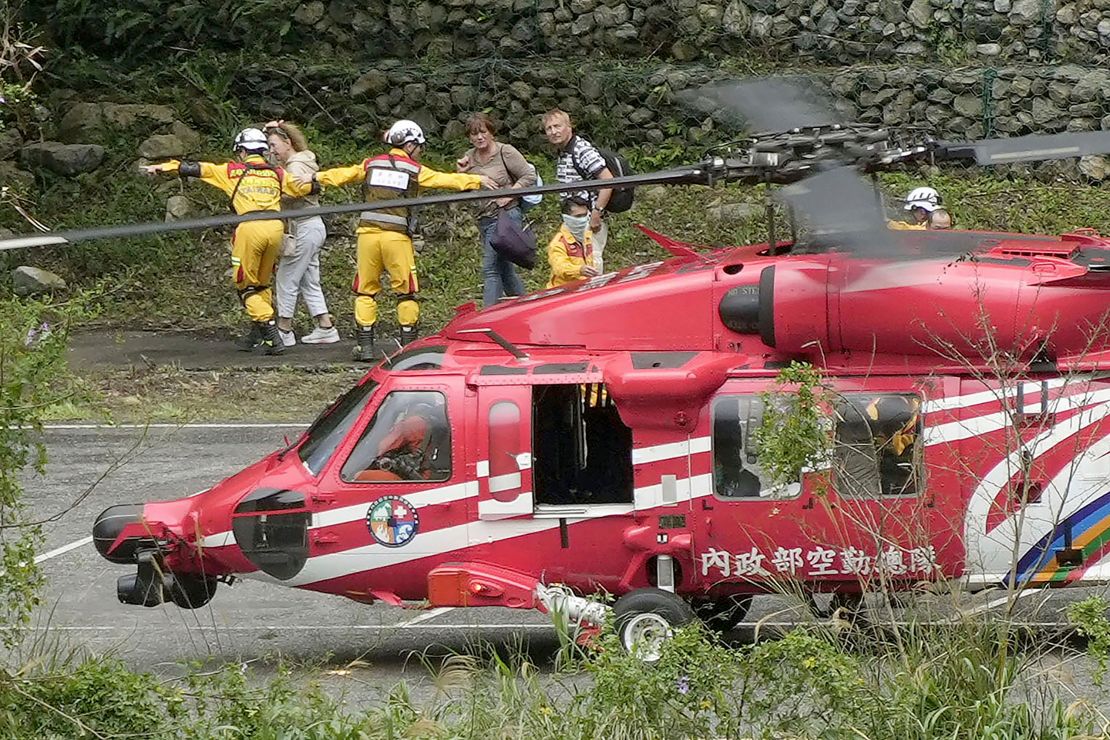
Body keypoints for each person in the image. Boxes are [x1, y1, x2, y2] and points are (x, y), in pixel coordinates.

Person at [292, 120, 494, 361]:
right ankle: (408, 348)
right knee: (406, 292)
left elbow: (344, 174)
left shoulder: (371, 164)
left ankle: (365, 347)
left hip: (367, 236)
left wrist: (315, 177)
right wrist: (477, 180)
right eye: (419, 147)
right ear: (409, 145)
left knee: (365, 292)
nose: (420, 151)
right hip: (396, 239)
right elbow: (444, 180)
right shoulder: (414, 170)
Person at [143, 128, 302, 355]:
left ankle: (271, 334)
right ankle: (255, 336)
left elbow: (195, 168)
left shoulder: (232, 171)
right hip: (276, 228)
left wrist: (162, 167)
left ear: (243, 152)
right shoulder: (277, 173)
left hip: (250, 229)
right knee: (262, 283)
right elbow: (304, 186)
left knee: (245, 287)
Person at [264, 121, 338, 346]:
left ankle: (284, 329)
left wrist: (269, 195)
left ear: (287, 142)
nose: (272, 151)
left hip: (304, 226)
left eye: (274, 145)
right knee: (309, 279)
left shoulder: (295, 167)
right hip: (311, 225)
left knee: (287, 278)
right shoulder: (303, 160)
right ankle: (325, 326)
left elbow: (293, 193)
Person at [456, 112, 536, 307]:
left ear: (491, 132)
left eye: (483, 132)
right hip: (484, 218)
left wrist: (509, 193)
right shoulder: (469, 157)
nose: (479, 137)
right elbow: (465, 187)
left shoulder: (505, 152)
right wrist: (460, 174)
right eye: (474, 134)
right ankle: (524, 308)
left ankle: (488, 317)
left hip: (506, 217)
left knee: (490, 268)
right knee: (505, 268)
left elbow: (529, 176)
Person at [543, 109, 613, 272]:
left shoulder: (581, 149)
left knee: (593, 265)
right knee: (577, 264)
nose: (554, 132)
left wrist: (596, 213)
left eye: (557, 126)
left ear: (569, 127)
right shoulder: (564, 151)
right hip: (574, 219)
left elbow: (608, 180)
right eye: (549, 128)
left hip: (588, 218)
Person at [546, 217, 599, 288]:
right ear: (567, 217)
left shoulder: (587, 236)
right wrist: (579, 270)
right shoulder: (558, 243)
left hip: (584, 286)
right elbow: (560, 268)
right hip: (563, 290)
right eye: (578, 216)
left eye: (584, 215)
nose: (582, 219)